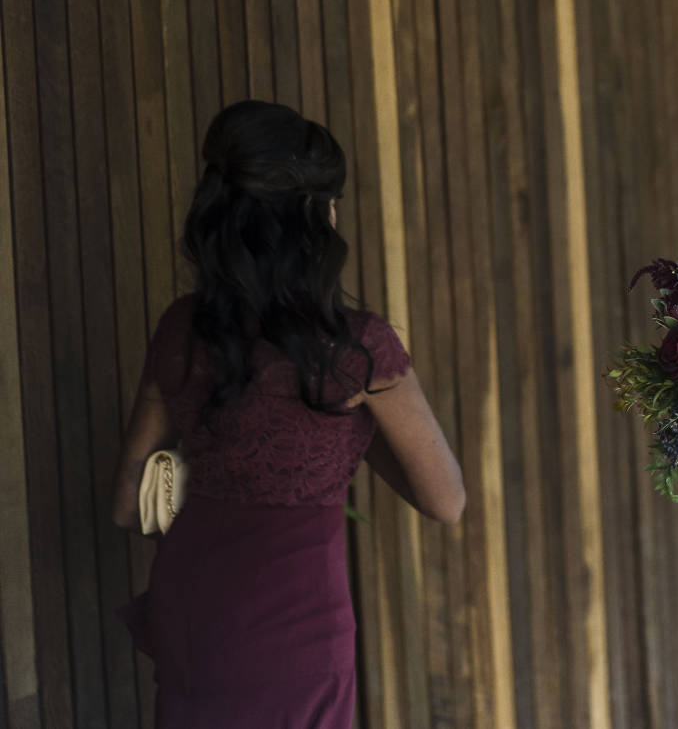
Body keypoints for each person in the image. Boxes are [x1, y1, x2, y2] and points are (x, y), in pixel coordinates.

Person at [112, 100, 465, 728]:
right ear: (313, 220)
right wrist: (354, 427)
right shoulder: (354, 349)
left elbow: (126, 507)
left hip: (191, 612)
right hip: (293, 625)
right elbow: (445, 501)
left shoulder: (182, 329)